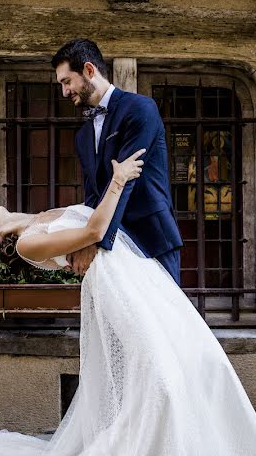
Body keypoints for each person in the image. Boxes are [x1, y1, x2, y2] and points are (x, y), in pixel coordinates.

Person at [0, 154, 256, 456]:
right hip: (117, 288)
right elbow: (94, 232)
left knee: (202, 356)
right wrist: (119, 179)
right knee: (160, 374)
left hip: (138, 275)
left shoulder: (37, 220)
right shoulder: (26, 245)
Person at [51, 38, 183, 284]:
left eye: (67, 81)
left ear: (89, 70)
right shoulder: (82, 137)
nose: (64, 92)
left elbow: (126, 179)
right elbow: (92, 195)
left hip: (151, 239)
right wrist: (85, 238)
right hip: (112, 242)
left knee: (165, 321)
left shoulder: (140, 108)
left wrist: (96, 241)